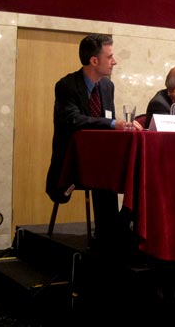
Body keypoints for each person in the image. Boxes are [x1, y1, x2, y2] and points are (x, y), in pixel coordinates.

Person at [46, 34, 132, 248]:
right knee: (104, 173)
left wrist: (119, 126)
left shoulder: (107, 87)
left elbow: (106, 118)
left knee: (130, 171)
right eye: (110, 56)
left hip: (101, 159)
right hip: (74, 160)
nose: (115, 61)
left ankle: (117, 229)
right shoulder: (66, 85)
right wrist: (113, 124)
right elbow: (73, 119)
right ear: (94, 61)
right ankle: (109, 234)